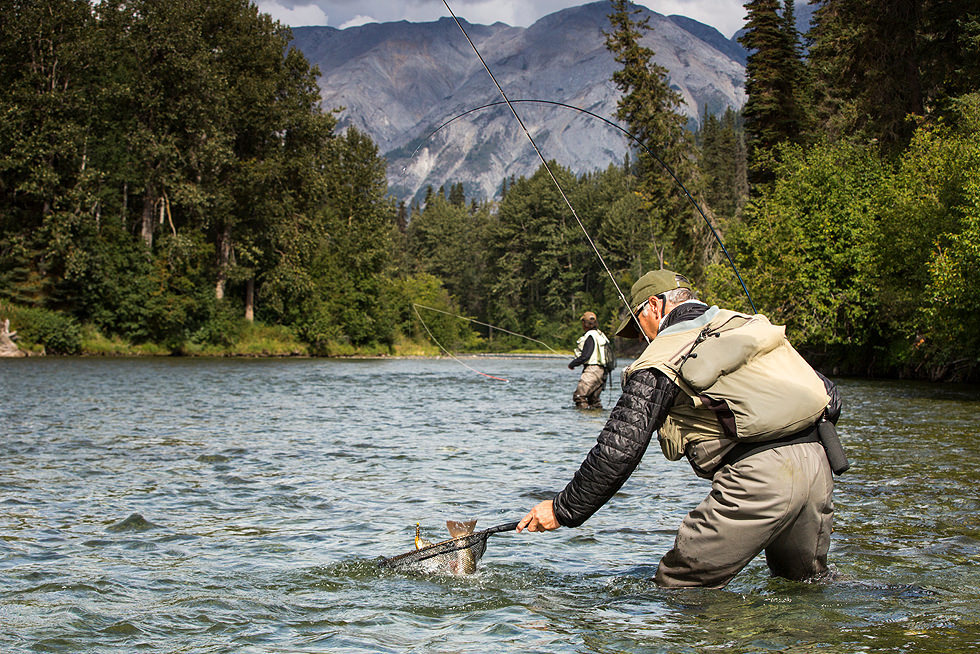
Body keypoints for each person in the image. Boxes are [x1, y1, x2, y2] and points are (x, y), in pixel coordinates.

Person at [518, 269, 843, 588]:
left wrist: (563, 508)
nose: (644, 336)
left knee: (679, 588)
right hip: (818, 467)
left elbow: (619, 449)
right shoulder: (748, 326)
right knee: (806, 587)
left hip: (760, 481)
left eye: (638, 323)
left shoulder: (661, 356)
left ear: (655, 306)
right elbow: (829, 395)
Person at [568, 311, 610, 409]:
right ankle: (595, 420)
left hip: (592, 370)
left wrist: (572, 364)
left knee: (579, 396)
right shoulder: (601, 335)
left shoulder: (590, 336)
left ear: (584, 323)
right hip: (603, 372)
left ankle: (583, 422)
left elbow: (585, 356)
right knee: (593, 400)